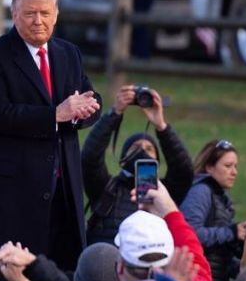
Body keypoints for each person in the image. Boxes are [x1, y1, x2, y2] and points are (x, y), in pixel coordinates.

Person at [0, 0, 102, 274]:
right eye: (29, 13)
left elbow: (88, 98)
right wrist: (56, 115)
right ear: (14, 14)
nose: (38, 21)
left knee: (61, 274)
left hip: (62, 187)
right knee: (10, 277)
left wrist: (83, 112)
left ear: (56, 15)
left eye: (45, 13)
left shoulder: (69, 53)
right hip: (11, 191)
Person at [82, 84, 193, 245]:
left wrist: (161, 126)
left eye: (149, 149)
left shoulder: (165, 193)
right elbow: (90, 158)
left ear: (157, 160)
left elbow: (184, 170)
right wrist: (115, 113)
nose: (142, 150)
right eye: (135, 148)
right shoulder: (106, 188)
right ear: (123, 158)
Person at [181, 139, 246, 281]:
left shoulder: (220, 196)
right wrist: (231, 232)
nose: (234, 172)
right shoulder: (201, 192)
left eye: (236, 166)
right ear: (209, 167)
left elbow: (219, 253)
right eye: (228, 166)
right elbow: (189, 234)